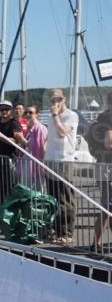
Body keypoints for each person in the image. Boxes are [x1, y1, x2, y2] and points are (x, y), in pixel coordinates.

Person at [44, 88, 79, 244]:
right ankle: (57, 230)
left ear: (64, 99)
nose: (55, 102)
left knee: (65, 197)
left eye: (58, 99)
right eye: (53, 100)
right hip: (51, 160)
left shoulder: (71, 115)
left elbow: (62, 132)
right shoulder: (52, 117)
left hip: (64, 160)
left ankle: (67, 232)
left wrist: (55, 115)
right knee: (53, 198)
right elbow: (49, 137)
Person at [87, 91, 112, 250]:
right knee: (108, 206)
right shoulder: (108, 119)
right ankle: (95, 243)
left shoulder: (101, 119)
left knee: (107, 206)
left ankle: (95, 242)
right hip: (108, 167)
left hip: (102, 165)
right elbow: (109, 143)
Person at [0, 100, 19, 215]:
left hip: (9, 159)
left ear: (11, 111)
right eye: (2, 109)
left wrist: (0, 137)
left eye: (7, 109)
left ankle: (10, 214)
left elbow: (16, 141)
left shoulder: (14, 123)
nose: (4, 112)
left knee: (9, 188)